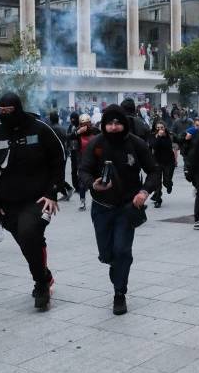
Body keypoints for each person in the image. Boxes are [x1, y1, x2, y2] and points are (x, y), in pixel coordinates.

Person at [0, 92, 66, 310]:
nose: (6, 115)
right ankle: (45, 275)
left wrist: (53, 192)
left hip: (38, 199)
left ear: (19, 108)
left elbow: (59, 158)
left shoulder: (40, 129)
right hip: (7, 203)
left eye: (10, 111)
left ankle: (41, 285)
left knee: (29, 233)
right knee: (27, 243)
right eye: (1, 112)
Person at [79, 104, 159, 315]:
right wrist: (92, 184)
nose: (114, 127)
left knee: (122, 251)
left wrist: (144, 192)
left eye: (118, 123)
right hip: (102, 207)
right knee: (107, 254)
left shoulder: (137, 144)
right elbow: (83, 170)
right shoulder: (96, 144)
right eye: (109, 123)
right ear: (103, 124)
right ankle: (116, 267)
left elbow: (153, 171)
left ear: (125, 123)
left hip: (127, 206)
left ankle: (119, 293)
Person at [70, 113, 99, 211]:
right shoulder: (77, 132)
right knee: (82, 183)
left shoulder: (95, 130)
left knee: (97, 181)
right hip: (83, 160)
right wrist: (78, 132)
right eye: (83, 124)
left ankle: (98, 201)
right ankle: (82, 202)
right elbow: (69, 137)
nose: (85, 126)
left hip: (95, 160)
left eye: (87, 124)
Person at [48, 110, 74, 201]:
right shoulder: (62, 128)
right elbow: (68, 140)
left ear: (50, 119)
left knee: (55, 175)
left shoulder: (50, 128)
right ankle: (66, 190)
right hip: (64, 154)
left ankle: (68, 189)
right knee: (59, 174)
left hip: (55, 155)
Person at [150, 121, 176, 208]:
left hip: (169, 162)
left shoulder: (169, 135)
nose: (160, 129)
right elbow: (154, 146)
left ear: (165, 128)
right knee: (157, 182)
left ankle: (169, 184)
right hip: (157, 161)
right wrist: (158, 137)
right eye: (158, 128)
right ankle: (158, 200)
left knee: (166, 181)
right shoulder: (153, 135)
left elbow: (169, 146)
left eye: (162, 127)